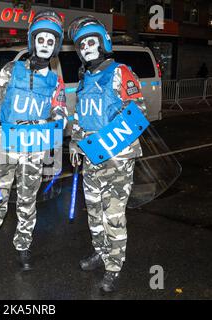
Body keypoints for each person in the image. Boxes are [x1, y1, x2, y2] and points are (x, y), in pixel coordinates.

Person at [0, 10, 67, 277]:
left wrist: (48, 125)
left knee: (27, 201)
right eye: (42, 39)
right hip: (4, 145)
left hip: (34, 150)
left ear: (56, 45)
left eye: (51, 41)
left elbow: (61, 115)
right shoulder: (11, 70)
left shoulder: (55, 81)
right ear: (33, 41)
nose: (45, 45)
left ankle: (23, 246)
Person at [68, 16, 147, 292]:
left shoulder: (119, 72)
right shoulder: (84, 79)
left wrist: (105, 142)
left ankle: (114, 266)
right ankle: (100, 252)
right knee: (93, 212)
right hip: (91, 158)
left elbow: (139, 112)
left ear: (103, 44)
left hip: (117, 159)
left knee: (113, 215)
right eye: (82, 44)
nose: (87, 47)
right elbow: (80, 116)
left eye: (91, 42)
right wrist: (75, 143)